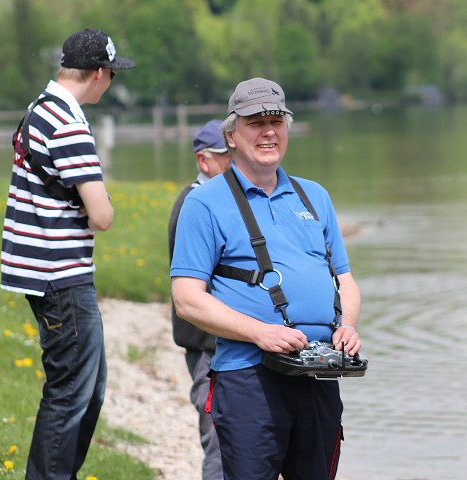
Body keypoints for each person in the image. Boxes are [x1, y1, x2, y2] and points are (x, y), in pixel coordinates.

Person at [170, 77, 362, 480]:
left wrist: (347, 326)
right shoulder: (203, 203)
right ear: (232, 135)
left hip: (318, 372)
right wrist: (260, 333)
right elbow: (187, 299)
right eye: (255, 122)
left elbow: (344, 279)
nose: (269, 131)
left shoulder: (315, 196)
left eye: (277, 120)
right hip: (248, 377)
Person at [0, 28, 135, 480]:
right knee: (72, 392)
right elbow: (102, 215)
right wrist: (105, 201)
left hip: (38, 269)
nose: (111, 83)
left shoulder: (38, 109)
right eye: (112, 75)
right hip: (60, 274)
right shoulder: (69, 123)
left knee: (87, 387)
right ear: (99, 73)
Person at [167, 119, 231, 479]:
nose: (233, 162)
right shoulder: (194, 203)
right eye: (225, 157)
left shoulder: (222, 197)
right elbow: (193, 289)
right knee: (220, 441)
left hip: (228, 342)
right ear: (203, 160)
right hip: (209, 347)